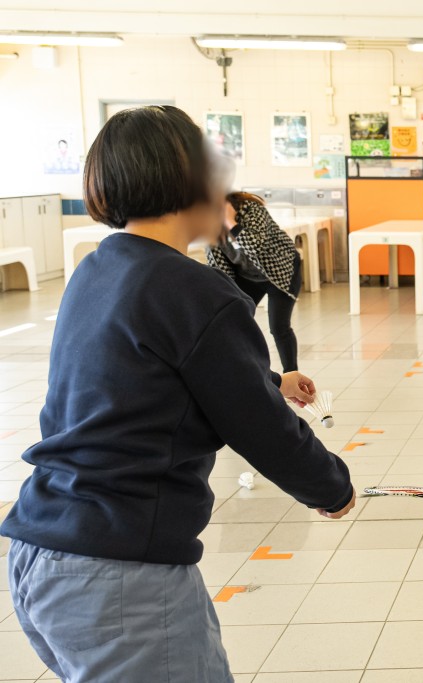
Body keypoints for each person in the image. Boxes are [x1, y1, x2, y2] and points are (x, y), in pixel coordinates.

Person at [1, 106, 355, 683]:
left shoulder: (98, 270)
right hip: (119, 574)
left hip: (42, 550)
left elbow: (138, 379)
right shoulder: (197, 290)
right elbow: (257, 425)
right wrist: (331, 488)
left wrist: (271, 379)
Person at [207, 191, 303, 372]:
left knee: (279, 327)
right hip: (247, 276)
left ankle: (292, 375)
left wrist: (231, 223)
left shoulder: (251, 210)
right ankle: (249, 371)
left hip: (280, 270)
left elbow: (256, 245)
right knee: (233, 321)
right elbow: (217, 263)